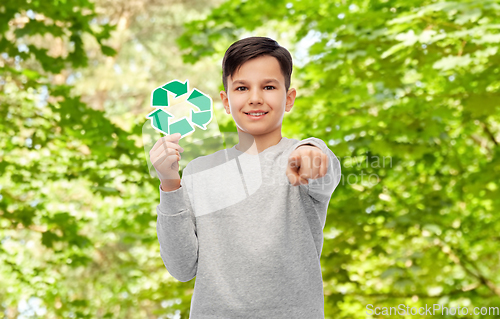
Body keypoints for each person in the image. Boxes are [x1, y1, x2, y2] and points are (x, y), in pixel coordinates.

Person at [151, 36, 341, 318]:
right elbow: (181, 268)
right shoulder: (198, 173)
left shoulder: (302, 158)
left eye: (268, 86)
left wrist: (311, 152)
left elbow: (323, 167)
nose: (255, 97)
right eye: (242, 87)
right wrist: (169, 184)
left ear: (288, 99)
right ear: (226, 101)